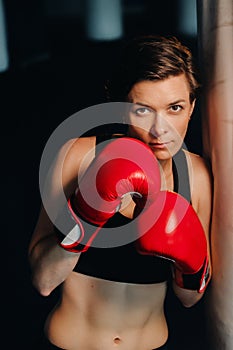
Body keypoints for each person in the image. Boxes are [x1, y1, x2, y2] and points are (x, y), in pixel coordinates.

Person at [28, 35, 212, 350]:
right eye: (143, 110)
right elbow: (43, 282)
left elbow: (189, 300)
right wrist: (84, 219)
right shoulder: (80, 157)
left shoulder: (196, 177)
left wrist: (192, 267)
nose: (160, 128)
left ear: (192, 107)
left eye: (175, 108)